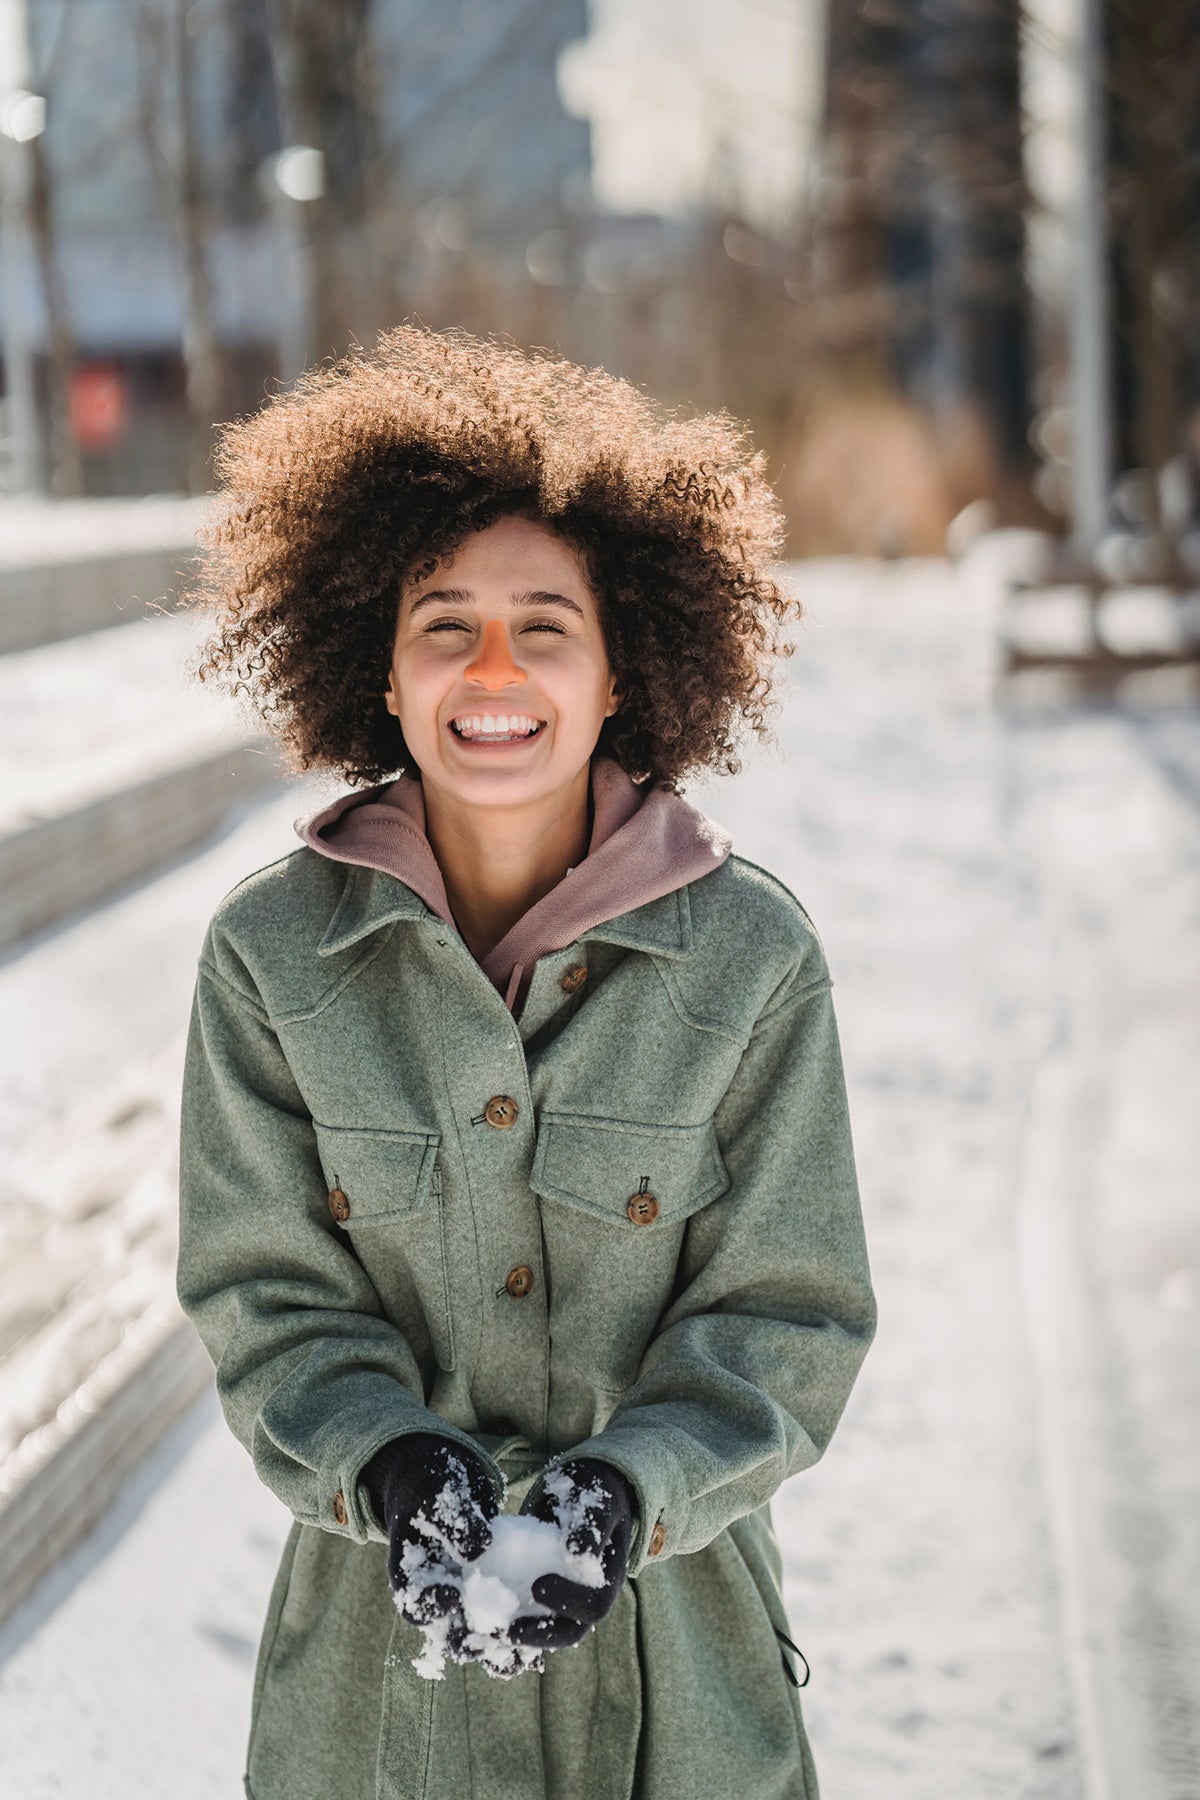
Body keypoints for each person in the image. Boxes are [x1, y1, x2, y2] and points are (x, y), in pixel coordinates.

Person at [176, 324, 877, 1800]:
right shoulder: (268, 960)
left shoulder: (751, 961)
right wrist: (385, 1459)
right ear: (377, 659)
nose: (493, 668)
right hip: (374, 1717)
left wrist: (631, 1492)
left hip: (677, 1699)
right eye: (444, 622)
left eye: (545, 624)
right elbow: (264, 1297)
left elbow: (788, 1316)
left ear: (623, 671)